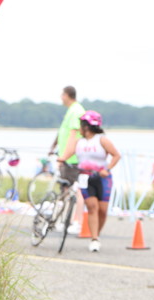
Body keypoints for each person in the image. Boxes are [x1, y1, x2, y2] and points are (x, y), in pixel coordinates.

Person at [60, 110, 121, 252]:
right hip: (85, 177)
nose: (79, 128)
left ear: (86, 126)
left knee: (103, 210)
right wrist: (61, 159)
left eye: (81, 125)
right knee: (92, 206)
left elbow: (116, 155)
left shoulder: (102, 140)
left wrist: (108, 169)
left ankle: (96, 234)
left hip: (102, 178)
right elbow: (68, 153)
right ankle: (94, 239)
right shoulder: (79, 142)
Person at [51, 86, 86, 232]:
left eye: (62, 94)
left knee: (76, 190)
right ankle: (64, 220)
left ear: (67, 95)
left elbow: (73, 136)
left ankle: (76, 222)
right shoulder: (71, 110)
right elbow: (62, 133)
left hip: (72, 159)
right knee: (65, 190)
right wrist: (53, 147)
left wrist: (64, 156)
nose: (61, 97)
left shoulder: (76, 110)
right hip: (67, 157)